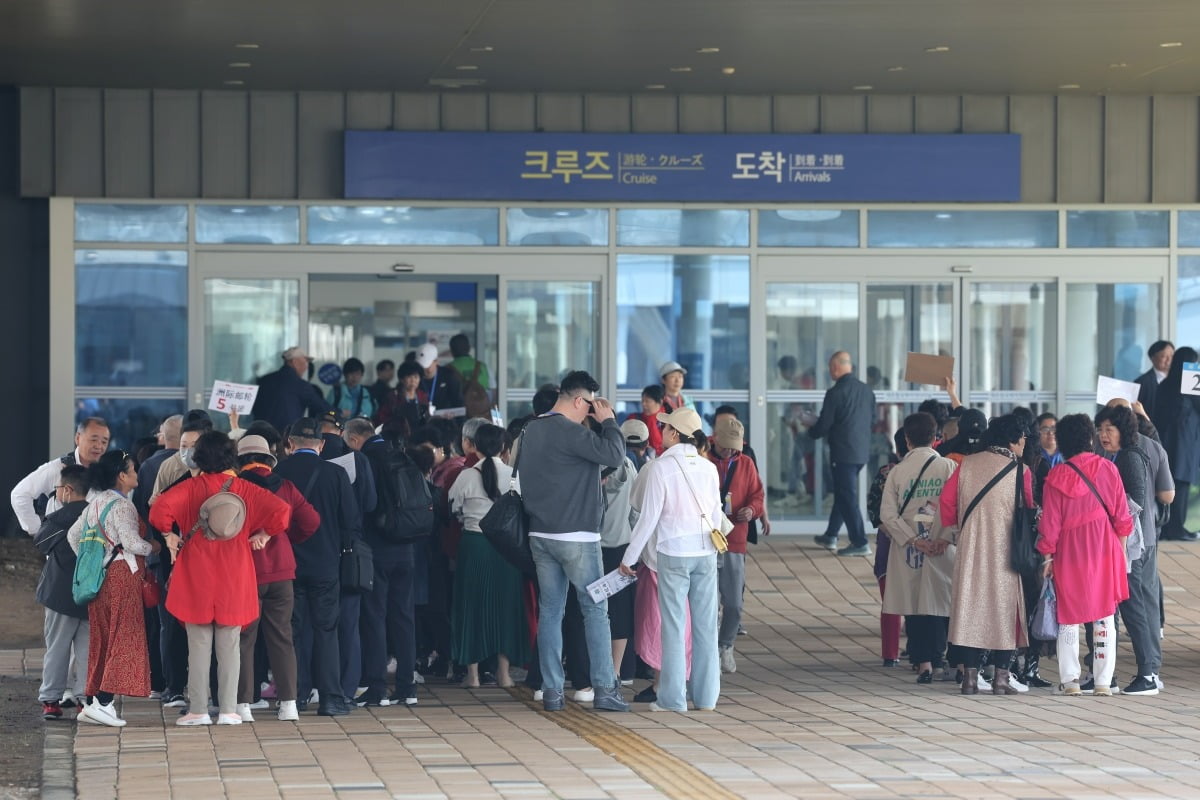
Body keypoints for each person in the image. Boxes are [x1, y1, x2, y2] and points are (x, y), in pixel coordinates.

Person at [151, 431, 291, 725]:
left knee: (198, 645)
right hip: (235, 572)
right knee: (230, 645)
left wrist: (169, 535)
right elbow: (282, 511)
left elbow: (159, 511)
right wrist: (264, 535)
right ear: (231, 457)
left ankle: (199, 710)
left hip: (196, 573)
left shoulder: (189, 487)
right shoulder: (245, 489)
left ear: (199, 457)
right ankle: (229, 710)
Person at [519, 370, 629, 713]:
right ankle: (605, 688)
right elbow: (614, 456)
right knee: (595, 610)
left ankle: (552, 690)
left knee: (551, 611)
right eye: (589, 406)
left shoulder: (531, 429)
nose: (589, 414)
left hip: (540, 535)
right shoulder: (569, 432)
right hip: (578, 537)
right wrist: (609, 421)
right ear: (579, 400)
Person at [620, 406, 722, 712]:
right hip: (705, 551)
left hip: (672, 552)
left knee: (674, 626)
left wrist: (630, 557)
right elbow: (717, 514)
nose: (660, 431)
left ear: (674, 434)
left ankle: (673, 699)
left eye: (664, 427)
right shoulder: (708, 467)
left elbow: (648, 519)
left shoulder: (661, 468)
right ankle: (706, 698)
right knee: (706, 627)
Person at [1037, 414, 1132, 697]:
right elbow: (1122, 517)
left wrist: (1048, 557)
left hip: (1069, 551)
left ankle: (1071, 681)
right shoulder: (1109, 469)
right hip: (1105, 548)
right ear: (1090, 438)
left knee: (1068, 616)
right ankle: (1103, 681)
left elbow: (1049, 525)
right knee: (1104, 616)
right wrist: (1121, 553)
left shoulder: (1056, 476)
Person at [939, 415, 1033, 696]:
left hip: (970, 545)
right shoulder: (1021, 471)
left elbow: (946, 503)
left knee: (970, 606)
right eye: (1023, 438)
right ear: (1014, 439)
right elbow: (1028, 506)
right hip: (1006, 549)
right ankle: (1001, 679)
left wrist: (960, 528)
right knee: (1005, 608)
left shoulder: (965, 464)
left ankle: (969, 678)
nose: (1025, 443)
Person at [274, 418, 362, 716]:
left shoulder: (279, 473)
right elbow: (351, 520)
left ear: (290, 444)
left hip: (287, 565)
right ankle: (331, 699)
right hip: (326, 563)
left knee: (292, 631)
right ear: (321, 445)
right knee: (326, 629)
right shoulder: (336, 474)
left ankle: (295, 697)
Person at [68, 450, 160, 727]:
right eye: (133, 470)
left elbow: (74, 536)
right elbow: (132, 543)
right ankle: (105, 703)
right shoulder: (123, 506)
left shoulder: (96, 502)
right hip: (123, 576)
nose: (137, 474)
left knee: (103, 639)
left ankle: (93, 701)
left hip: (100, 579)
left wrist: (96, 560)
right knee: (125, 637)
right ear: (122, 475)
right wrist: (153, 547)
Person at [235, 433, 320, 722]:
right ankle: (289, 704)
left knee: (245, 638)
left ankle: (243, 705)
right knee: (282, 637)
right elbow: (311, 521)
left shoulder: (236, 487)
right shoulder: (285, 486)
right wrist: (286, 539)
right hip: (282, 570)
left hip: (247, 570)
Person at [343, 417, 422, 707]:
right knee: (404, 618)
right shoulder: (400, 454)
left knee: (374, 617)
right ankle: (407, 687)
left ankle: (377, 688)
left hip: (376, 549)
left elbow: (365, 505)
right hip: (407, 548)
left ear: (353, 439)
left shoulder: (363, 460)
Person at [1095, 405, 1173, 695]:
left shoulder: (1129, 457)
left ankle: (1148, 674)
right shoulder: (1129, 453)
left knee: (1134, 606)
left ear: (1123, 430)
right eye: (1100, 429)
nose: (1103, 435)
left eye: (1109, 429)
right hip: (1133, 544)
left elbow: (1134, 506)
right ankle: (1148, 670)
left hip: (1131, 547)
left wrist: (1122, 548)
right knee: (1137, 604)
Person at [448, 423, 531, 688]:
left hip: (474, 546)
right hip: (506, 549)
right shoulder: (513, 475)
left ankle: (472, 675)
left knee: (471, 607)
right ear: (505, 448)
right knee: (507, 608)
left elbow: (453, 507)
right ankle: (504, 674)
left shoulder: (465, 476)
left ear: (475, 446)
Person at [879, 413, 957, 684]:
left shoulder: (898, 472)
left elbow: (887, 515)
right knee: (941, 601)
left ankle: (923, 663)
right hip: (941, 547)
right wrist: (944, 539)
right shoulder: (948, 467)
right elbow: (957, 507)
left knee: (914, 604)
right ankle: (942, 660)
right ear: (936, 438)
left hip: (909, 549)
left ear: (907, 439)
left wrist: (913, 540)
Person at [33, 464, 91, 720]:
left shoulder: (59, 518)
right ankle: (84, 698)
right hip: (91, 593)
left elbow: (41, 542)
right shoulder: (96, 515)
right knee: (87, 649)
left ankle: (51, 699)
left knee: (57, 647)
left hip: (59, 594)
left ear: (67, 490)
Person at [806, 351, 877, 556]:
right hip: (861, 452)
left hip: (842, 453)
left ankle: (860, 541)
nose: (830, 372)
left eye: (830, 368)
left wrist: (811, 429)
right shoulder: (866, 391)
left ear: (836, 367)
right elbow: (871, 420)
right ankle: (831, 535)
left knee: (848, 496)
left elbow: (824, 425)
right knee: (843, 493)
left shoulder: (835, 393)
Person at [707, 416, 764, 674]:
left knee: (733, 602)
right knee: (705, 600)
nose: (730, 451)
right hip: (706, 537)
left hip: (734, 538)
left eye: (735, 447)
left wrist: (752, 510)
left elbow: (758, 495)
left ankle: (725, 645)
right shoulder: (702, 457)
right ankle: (707, 648)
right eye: (726, 445)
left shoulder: (746, 463)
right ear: (714, 438)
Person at [11, 417, 110, 537]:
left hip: (95, 549)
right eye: (93, 440)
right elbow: (19, 494)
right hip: (60, 549)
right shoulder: (56, 469)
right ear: (78, 438)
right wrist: (37, 530)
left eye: (104, 442)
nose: (99, 446)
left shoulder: (105, 473)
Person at [1150, 346, 1200, 541]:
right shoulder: (1190, 384)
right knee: (1182, 484)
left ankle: (1172, 526)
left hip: (1168, 442)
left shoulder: (1165, 384)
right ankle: (1177, 528)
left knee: (1170, 484)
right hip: (1184, 443)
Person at [251, 346, 332, 433]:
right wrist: (337, 413)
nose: (306, 366)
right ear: (294, 362)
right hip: (286, 437)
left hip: (261, 435)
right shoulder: (301, 385)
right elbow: (322, 408)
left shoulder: (264, 380)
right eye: (305, 362)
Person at [132, 414, 182, 521]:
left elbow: (138, 505)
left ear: (163, 436)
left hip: (151, 532)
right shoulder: (194, 464)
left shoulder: (148, 465)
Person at [378, 360, 429, 432]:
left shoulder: (422, 395)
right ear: (402, 379)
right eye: (409, 377)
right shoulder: (393, 396)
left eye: (416, 377)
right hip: (398, 434)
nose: (413, 380)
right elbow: (383, 417)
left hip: (420, 434)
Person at [415, 342, 464, 411]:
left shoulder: (449, 376)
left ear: (436, 361)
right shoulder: (414, 378)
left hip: (446, 420)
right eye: (421, 366)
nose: (423, 369)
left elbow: (458, 403)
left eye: (427, 366)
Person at [1135, 340, 1174, 421]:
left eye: (1172, 356)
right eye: (1164, 356)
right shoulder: (1142, 382)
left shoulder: (1178, 381)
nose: (1169, 360)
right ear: (1153, 358)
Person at [629, 385, 665, 455]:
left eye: (647, 401)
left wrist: (651, 419)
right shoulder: (634, 419)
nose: (643, 404)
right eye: (642, 401)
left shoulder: (669, 422)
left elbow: (658, 445)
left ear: (660, 402)